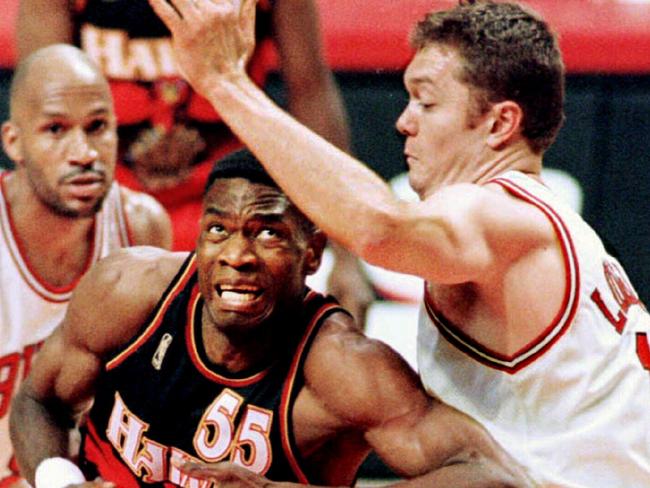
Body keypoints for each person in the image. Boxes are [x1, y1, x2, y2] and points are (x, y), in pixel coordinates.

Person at [145, 0, 650, 486]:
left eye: (427, 102)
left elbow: (380, 229)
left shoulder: (501, 213)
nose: (403, 121)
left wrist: (225, 81)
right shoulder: (554, 230)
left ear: (500, 124)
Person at [9, 149, 533, 488]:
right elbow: (39, 399)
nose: (237, 254)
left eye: (267, 233)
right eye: (218, 230)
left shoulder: (341, 368)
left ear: (312, 253)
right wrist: (61, 482)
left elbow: (491, 476)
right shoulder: (129, 293)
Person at [16, 0, 374, 329]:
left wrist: (347, 256)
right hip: (107, 212)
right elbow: (38, 112)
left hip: (228, 215)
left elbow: (310, 91)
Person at [0, 44, 172, 487]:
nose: (84, 153)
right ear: (14, 143)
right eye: (56, 129)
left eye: (98, 127)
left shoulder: (141, 229)